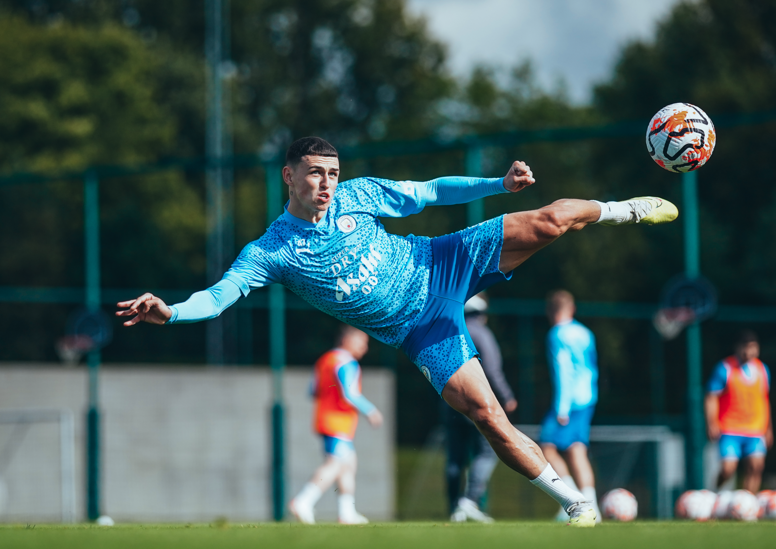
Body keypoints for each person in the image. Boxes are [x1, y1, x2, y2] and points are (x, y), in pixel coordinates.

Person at [116, 136, 678, 527]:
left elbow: (429, 191)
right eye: (315, 173)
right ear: (289, 176)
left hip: (442, 261)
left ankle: (624, 209)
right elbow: (217, 299)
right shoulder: (270, 252)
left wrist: (498, 183)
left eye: (333, 173)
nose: (327, 183)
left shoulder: (357, 196)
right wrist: (169, 311)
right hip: (421, 329)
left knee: (550, 220)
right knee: (487, 417)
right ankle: (578, 504)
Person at [289, 325, 382, 524]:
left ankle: (346, 513)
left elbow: (312, 390)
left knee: (348, 464)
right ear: (347, 340)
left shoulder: (324, 360)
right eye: (362, 342)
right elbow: (350, 394)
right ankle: (304, 500)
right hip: (338, 422)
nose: (364, 348)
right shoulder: (347, 363)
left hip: (325, 418)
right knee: (336, 463)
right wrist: (371, 411)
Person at [442, 292, 517, 523]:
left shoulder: (448, 334)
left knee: (455, 458)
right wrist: (507, 397)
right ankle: (470, 501)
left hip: (449, 406)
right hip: (477, 405)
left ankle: (455, 507)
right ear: (482, 313)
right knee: (486, 452)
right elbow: (493, 370)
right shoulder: (482, 334)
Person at [539, 289, 601, 523]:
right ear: (571, 309)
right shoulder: (585, 332)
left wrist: (562, 407)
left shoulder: (557, 334)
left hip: (569, 401)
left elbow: (564, 371)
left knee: (546, 446)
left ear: (550, 311)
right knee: (577, 449)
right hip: (588, 398)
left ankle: (573, 499)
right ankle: (591, 503)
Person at [705, 330, 773, 493]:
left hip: (755, 429)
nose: (749, 352)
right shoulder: (725, 368)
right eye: (746, 347)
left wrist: (769, 428)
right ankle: (714, 494)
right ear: (738, 347)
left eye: (753, 347)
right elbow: (711, 396)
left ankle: (747, 505)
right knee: (728, 469)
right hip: (730, 428)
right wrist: (712, 422)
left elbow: (764, 399)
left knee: (756, 467)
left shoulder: (762, 370)